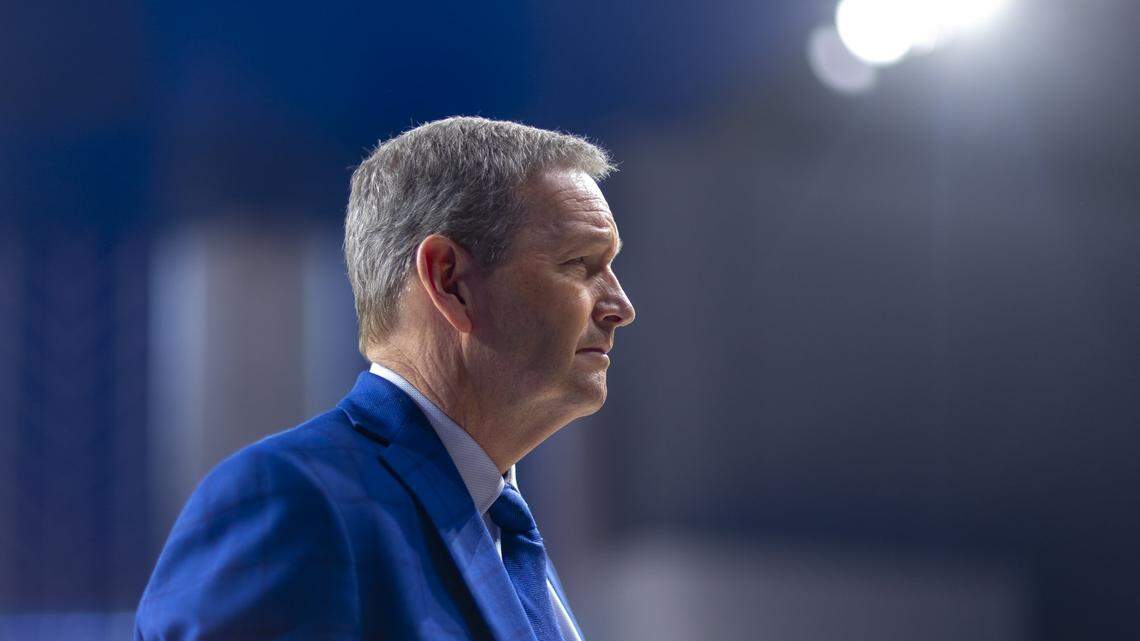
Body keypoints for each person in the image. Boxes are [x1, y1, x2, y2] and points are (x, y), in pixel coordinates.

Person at [134, 116, 636, 640]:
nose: (620, 306)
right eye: (580, 264)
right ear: (450, 281)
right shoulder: (291, 500)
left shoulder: (499, 530)